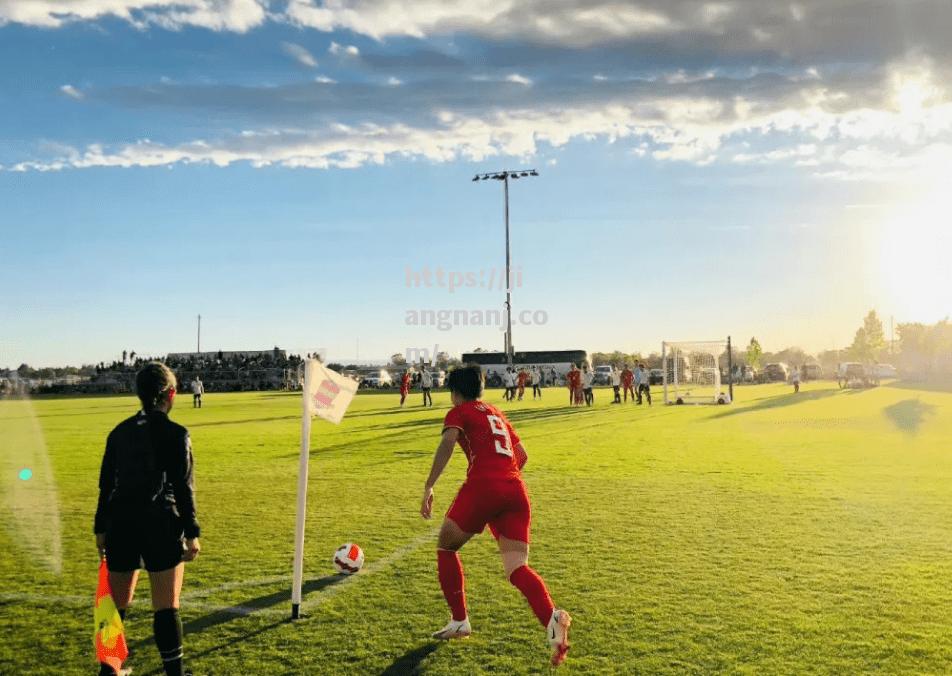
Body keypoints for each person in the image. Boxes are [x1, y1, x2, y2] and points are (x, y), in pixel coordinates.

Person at [420, 365, 572, 667]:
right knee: (517, 568)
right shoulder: (497, 412)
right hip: (516, 489)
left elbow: (448, 443)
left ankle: (460, 621)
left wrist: (429, 486)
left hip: (484, 486)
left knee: (446, 546)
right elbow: (523, 455)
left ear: (455, 393)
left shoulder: (459, 411)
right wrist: (503, 485)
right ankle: (552, 620)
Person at [94, 362, 200, 676]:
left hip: (120, 525)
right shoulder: (176, 433)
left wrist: (100, 527)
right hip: (160, 524)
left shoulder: (119, 433)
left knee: (115, 606)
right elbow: (183, 487)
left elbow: (106, 485)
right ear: (172, 394)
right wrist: (192, 531)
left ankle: (109, 671)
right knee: (166, 606)